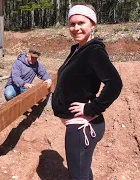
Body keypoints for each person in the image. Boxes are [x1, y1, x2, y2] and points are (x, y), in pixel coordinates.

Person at [51, 3, 123, 180]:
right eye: (72, 24)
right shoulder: (77, 49)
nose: (76, 28)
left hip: (82, 126)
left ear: (93, 25)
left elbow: (115, 84)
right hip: (77, 124)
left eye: (81, 23)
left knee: (78, 176)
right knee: (83, 172)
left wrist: (91, 108)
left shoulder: (94, 52)